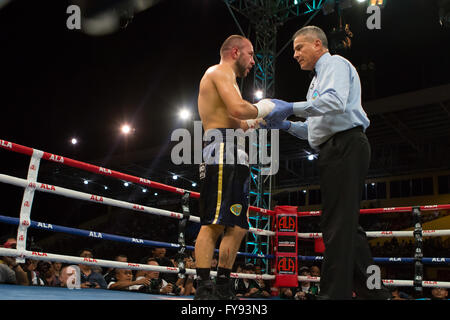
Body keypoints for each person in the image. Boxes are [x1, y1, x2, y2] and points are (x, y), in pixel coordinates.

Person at [262, 26, 391, 300]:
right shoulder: (315, 81)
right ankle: (375, 295)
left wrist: (290, 107)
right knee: (347, 226)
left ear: (317, 44)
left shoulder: (334, 63)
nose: (295, 54)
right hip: (334, 149)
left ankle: (333, 295)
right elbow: (313, 129)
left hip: (346, 144)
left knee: (337, 226)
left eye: (299, 48)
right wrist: (286, 124)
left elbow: (334, 102)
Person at [194, 34, 275, 300]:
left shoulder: (230, 81)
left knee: (238, 226)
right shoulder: (218, 72)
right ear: (235, 51)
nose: (253, 61)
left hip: (234, 152)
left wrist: (260, 120)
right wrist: (262, 107)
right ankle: (204, 289)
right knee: (215, 223)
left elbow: (240, 122)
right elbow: (239, 110)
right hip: (220, 149)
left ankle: (222, 286)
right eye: (251, 54)